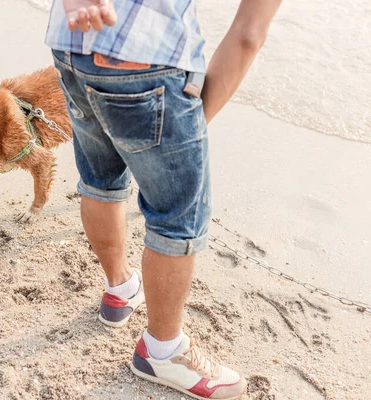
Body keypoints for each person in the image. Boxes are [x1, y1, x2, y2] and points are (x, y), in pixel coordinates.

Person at [45, 0, 281, 398]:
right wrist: (188, 131)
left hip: (70, 43)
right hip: (146, 63)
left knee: (100, 178)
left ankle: (120, 288)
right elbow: (246, 36)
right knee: (178, 218)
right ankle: (163, 350)